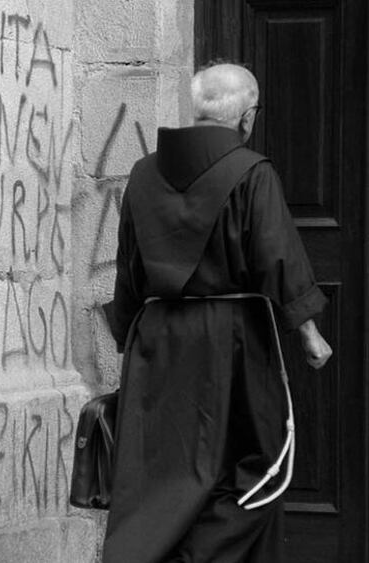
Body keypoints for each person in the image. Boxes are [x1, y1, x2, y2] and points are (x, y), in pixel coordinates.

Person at [102, 63, 332, 563]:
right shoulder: (252, 172)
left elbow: (129, 265)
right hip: (232, 344)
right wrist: (310, 333)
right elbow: (277, 254)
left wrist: (128, 339)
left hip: (156, 343)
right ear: (247, 118)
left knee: (159, 475)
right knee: (256, 469)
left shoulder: (142, 173)